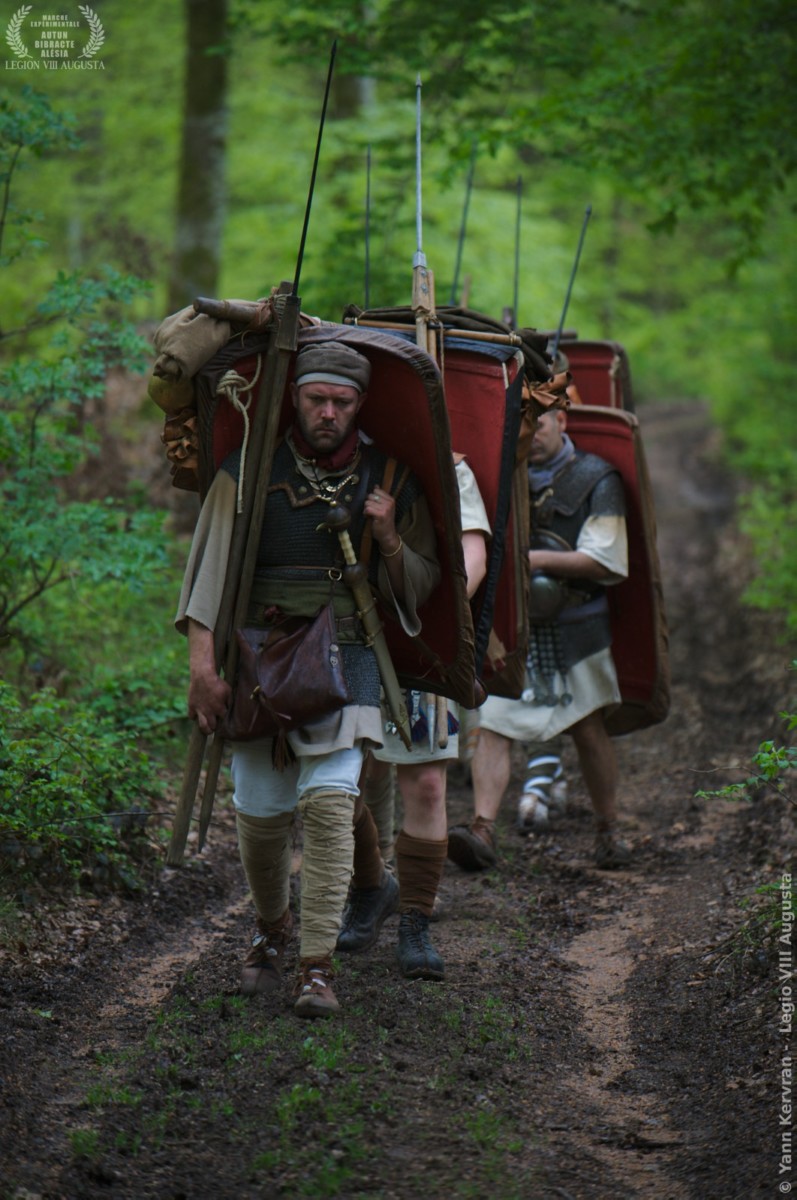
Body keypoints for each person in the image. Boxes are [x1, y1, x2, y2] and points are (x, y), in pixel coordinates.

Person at [177, 342, 441, 1018]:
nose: (328, 412)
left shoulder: (389, 477)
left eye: (341, 402)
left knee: (328, 806)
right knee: (261, 815)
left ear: (359, 404)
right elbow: (207, 574)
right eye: (316, 399)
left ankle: (316, 966)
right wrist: (202, 668)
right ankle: (272, 928)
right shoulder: (246, 471)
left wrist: (388, 538)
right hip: (257, 661)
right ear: (295, 398)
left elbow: (423, 586)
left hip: (348, 658)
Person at [447, 403, 631, 872]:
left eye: (541, 423)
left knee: (588, 727)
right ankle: (483, 829)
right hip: (515, 630)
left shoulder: (595, 478)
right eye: (525, 425)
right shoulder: (500, 478)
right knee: (495, 725)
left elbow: (605, 559)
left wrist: (531, 561)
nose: (533, 434)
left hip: (577, 627)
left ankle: (609, 829)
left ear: (561, 422)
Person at [335, 456, 491, 979]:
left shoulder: (448, 465)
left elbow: (473, 556)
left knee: (426, 784)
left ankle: (415, 921)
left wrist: (432, 612)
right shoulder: (331, 454)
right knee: (337, 784)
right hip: (340, 642)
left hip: (417, 646)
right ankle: (371, 885)